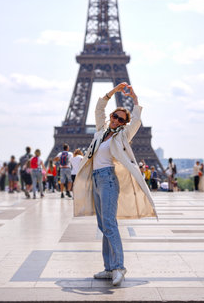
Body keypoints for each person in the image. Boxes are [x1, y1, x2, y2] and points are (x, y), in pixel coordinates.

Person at [73, 82, 157, 287]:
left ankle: (119, 267)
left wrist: (134, 98)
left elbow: (136, 119)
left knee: (110, 224)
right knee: (103, 226)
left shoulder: (123, 136)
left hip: (109, 180)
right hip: (96, 179)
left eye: (120, 119)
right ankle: (109, 267)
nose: (115, 119)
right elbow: (99, 108)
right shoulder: (101, 131)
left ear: (123, 123)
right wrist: (114, 91)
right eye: (114, 116)